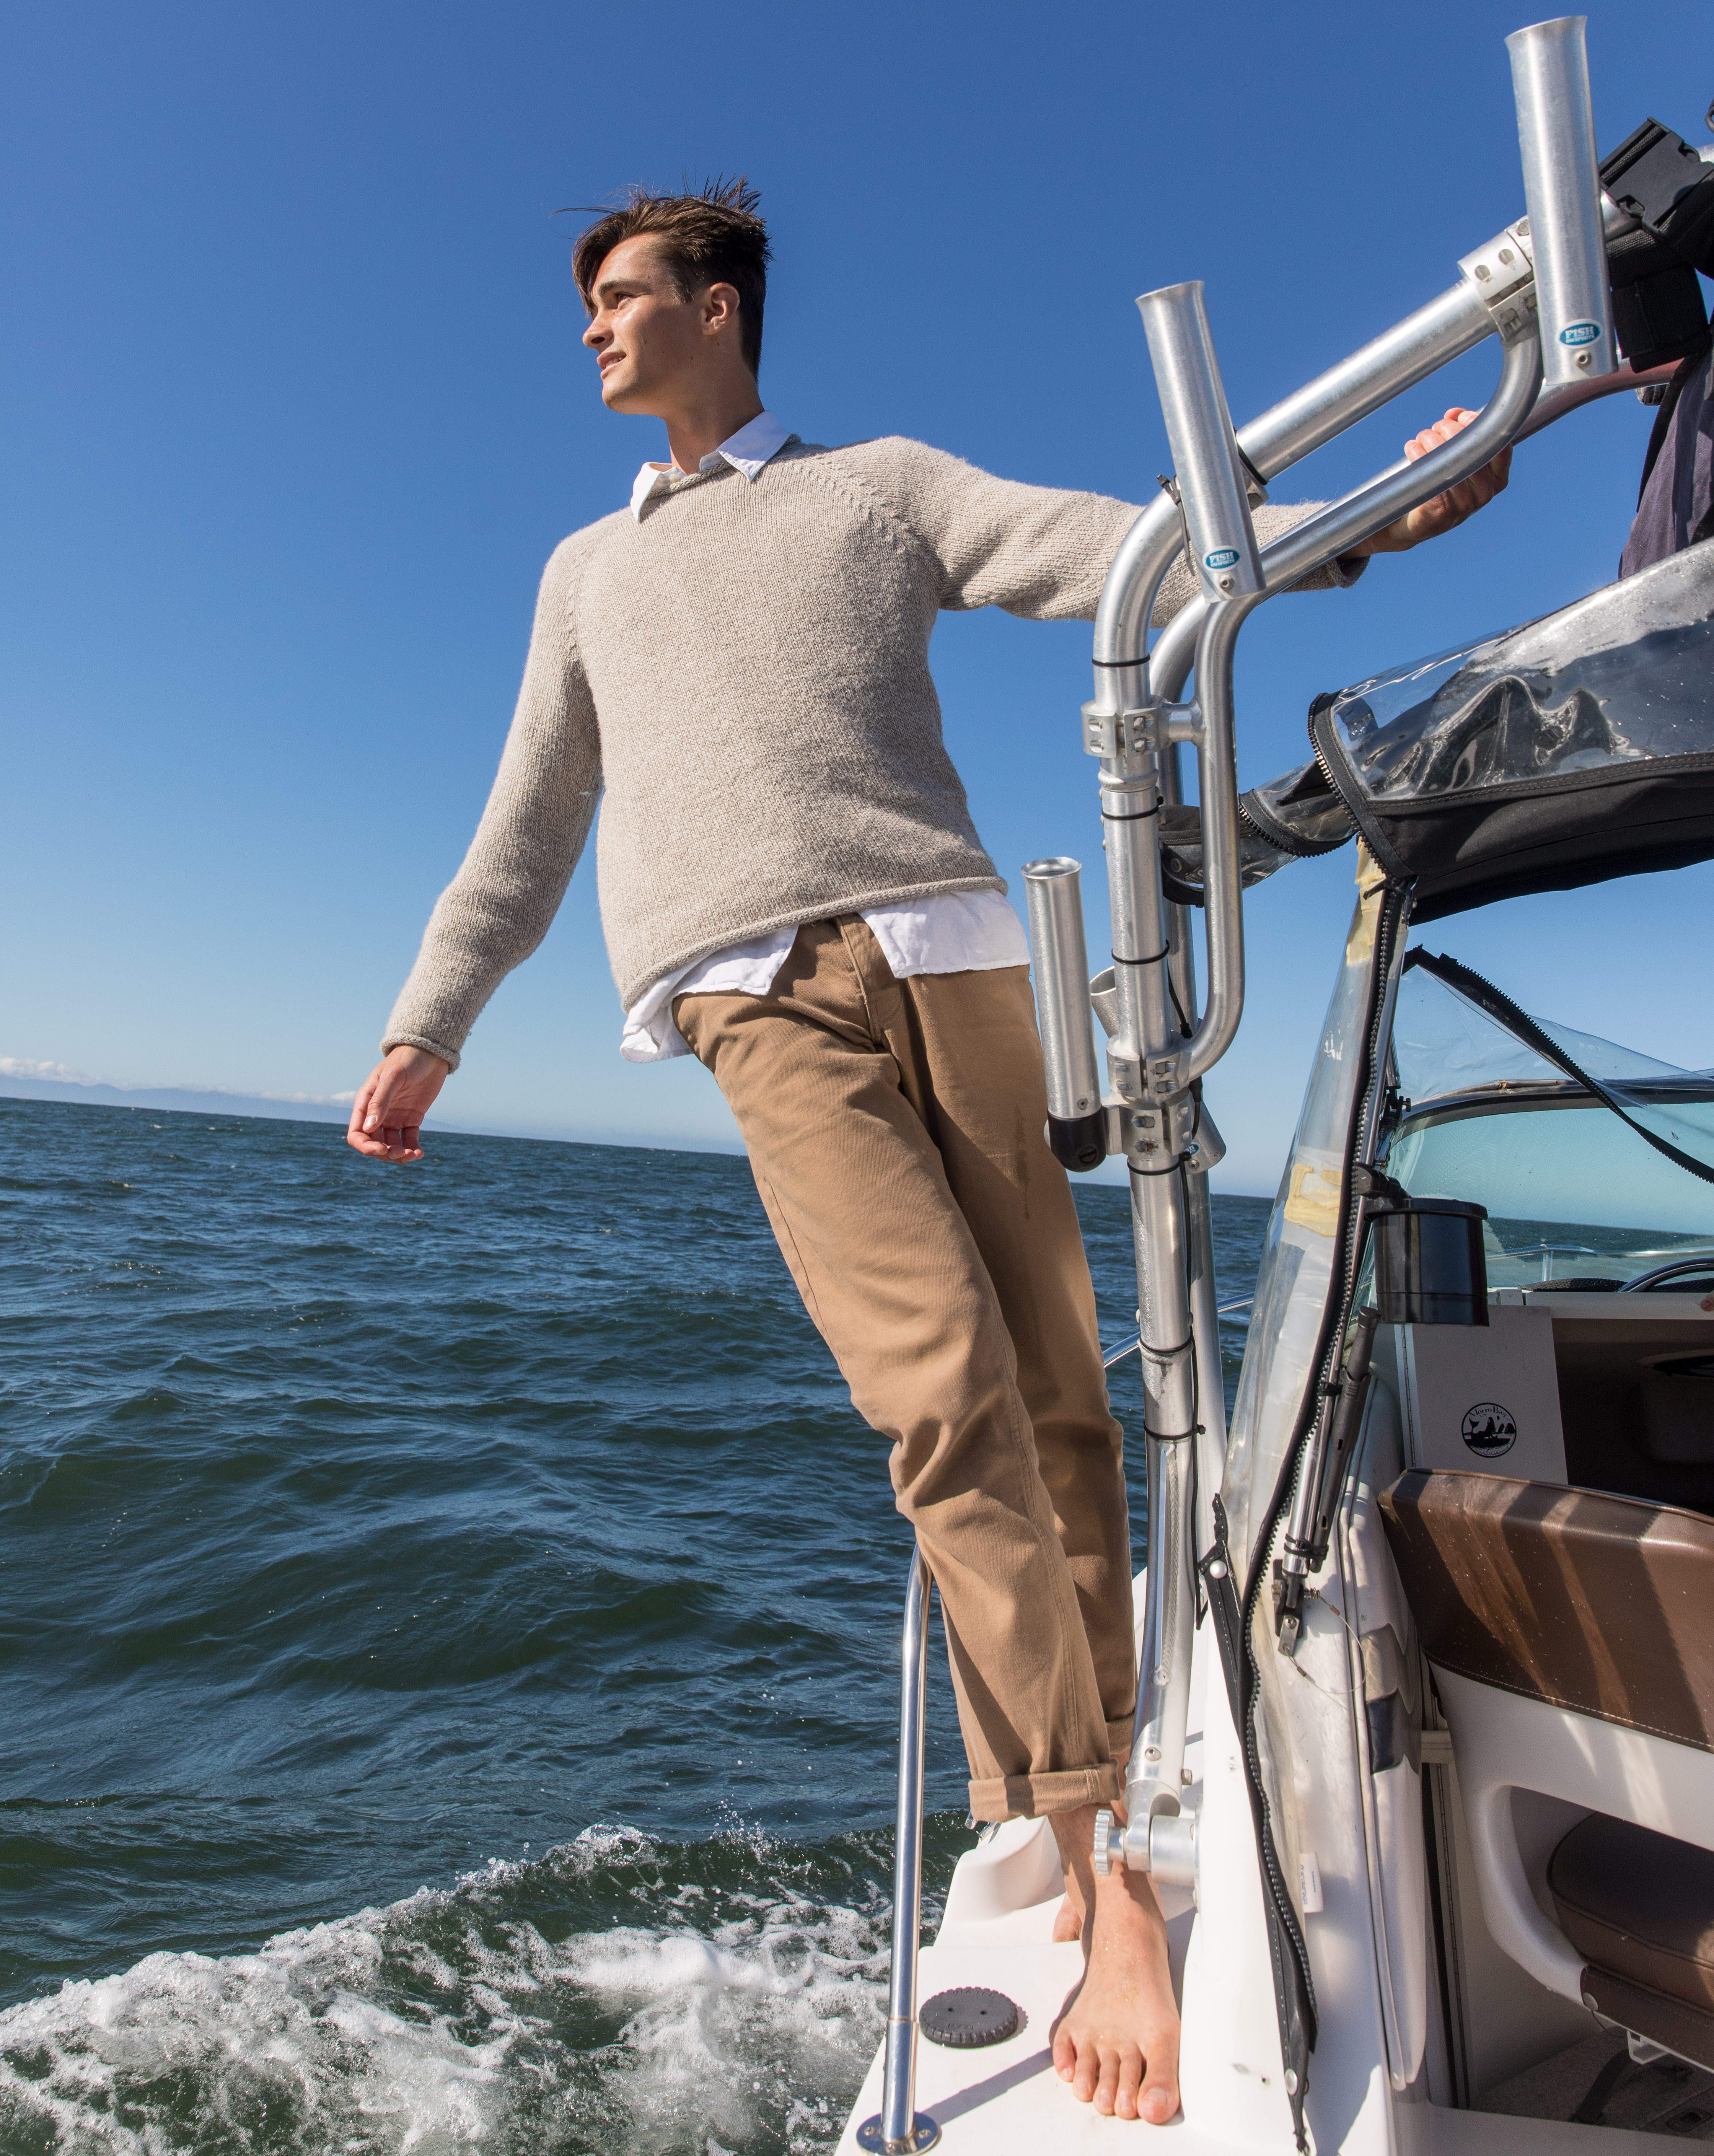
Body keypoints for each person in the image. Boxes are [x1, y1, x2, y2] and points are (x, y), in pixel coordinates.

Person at [347, 181, 1509, 2124]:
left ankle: (1074, 1804)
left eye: (620, 298)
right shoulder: (582, 572)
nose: (591, 332)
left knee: (1064, 1403)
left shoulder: (877, 487)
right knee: (944, 1395)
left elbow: (1116, 557)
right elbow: (526, 823)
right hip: (750, 994)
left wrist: (1371, 520)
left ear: (718, 308)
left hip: (956, 954)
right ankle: (1102, 1870)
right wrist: (428, 1021)